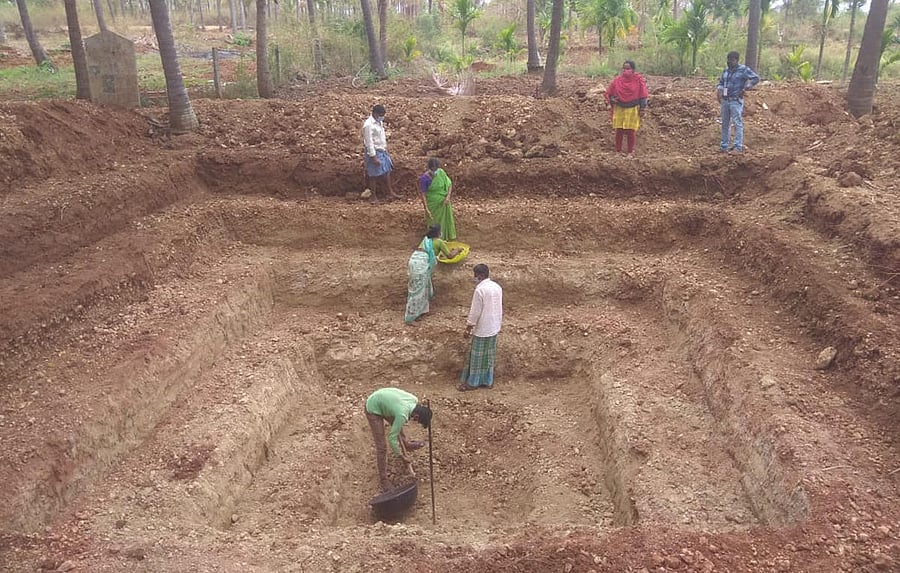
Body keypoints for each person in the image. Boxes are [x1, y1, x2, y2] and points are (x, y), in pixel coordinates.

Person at [365, 387, 432, 490]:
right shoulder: (402, 414)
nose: (414, 421)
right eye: (417, 421)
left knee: (398, 423)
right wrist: (400, 456)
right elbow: (392, 438)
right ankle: (384, 480)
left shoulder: (414, 399)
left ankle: (406, 445)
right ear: (416, 416)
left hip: (385, 399)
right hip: (373, 407)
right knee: (382, 447)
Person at [459, 263, 503, 391]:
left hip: (483, 328)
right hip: (494, 326)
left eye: (475, 275)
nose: (474, 277)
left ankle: (473, 383)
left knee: (477, 356)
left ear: (480, 275)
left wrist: (468, 328)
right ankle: (487, 381)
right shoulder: (497, 287)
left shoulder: (480, 290)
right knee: (489, 355)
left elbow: (475, 312)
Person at [405, 224, 461, 324]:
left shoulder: (426, 240)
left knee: (423, 288)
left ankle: (421, 311)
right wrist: (457, 250)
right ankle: (410, 318)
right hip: (420, 265)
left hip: (414, 261)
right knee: (417, 291)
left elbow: (433, 252)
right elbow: (449, 256)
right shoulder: (438, 242)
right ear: (439, 233)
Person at [716, 51, 760, 154]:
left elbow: (755, 78)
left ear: (736, 60)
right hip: (725, 100)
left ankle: (737, 147)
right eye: (728, 59)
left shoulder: (743, 70)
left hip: (735, 100)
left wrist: (746, 88)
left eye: (731, 60)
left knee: (737, 123)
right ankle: (724, 146)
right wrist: (719, 90)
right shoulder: (726, 71)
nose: (729, 62)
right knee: (725, 124)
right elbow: (721, 82)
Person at [605, 60, 649, 159]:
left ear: (633, 70)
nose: (625, 71)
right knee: (619, 130)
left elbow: (643, 95)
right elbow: (609, 93)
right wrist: (612, 99)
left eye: (628, 68)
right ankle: (618, 151)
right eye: (624, 68)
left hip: (632, 108)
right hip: (619, 107)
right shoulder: (617, 80)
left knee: (630, 131)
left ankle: (630, 152)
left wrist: (642, 108)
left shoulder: (638, 80)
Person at [361, 104, 401, 203]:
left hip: (382, 150)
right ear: (375, 113)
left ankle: (390, 192)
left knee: (387, 171)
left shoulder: (379, 122)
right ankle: (373, 197)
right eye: (381, 115)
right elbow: (369, 142)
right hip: (374, 152)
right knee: (373, 174)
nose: (382, 117)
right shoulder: (368, 125)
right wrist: (374, 157)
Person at [418, 158, 457, 241]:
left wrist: (448, 197)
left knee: (445, 222)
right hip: (432, 205)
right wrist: (426, 208)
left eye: (436, 169)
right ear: (429, 168)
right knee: (433, 223)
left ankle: (445, 239)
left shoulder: (441, 173)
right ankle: (433, 242)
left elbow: (449, 184)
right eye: (433, 170)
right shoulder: (424, 179)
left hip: (444, 203)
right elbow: (423, 194)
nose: (434, 171)